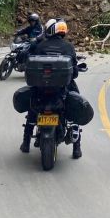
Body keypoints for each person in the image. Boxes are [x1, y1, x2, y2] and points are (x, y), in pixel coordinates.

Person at [20, 17, 83, 158]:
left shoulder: (40, 45)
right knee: (75, 107)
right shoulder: (69, 47)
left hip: (41, 88)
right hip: (62, 89)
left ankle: (25, 142)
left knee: (32, 109)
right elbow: (75, 73)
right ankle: (77, 148)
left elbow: (27, 60)